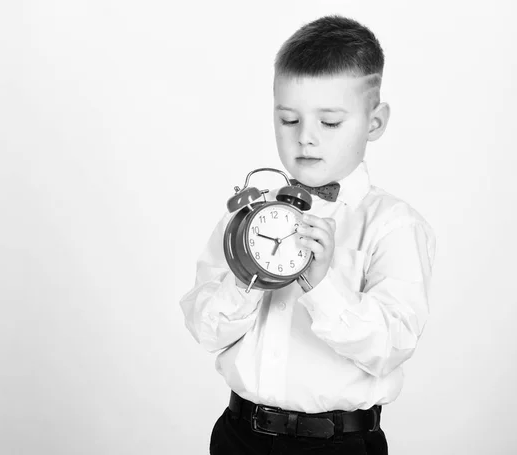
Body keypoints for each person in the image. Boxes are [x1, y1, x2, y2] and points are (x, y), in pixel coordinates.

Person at [180, 15, 436, 455]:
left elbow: (390, 346)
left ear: (374, 122)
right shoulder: (248, 216)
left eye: (330, 123)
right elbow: (206, 331)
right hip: (239, 435)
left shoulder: (393, 225)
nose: (306, 139)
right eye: (288, 119)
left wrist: (322, 287)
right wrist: (246, 275)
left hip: (338, 444)